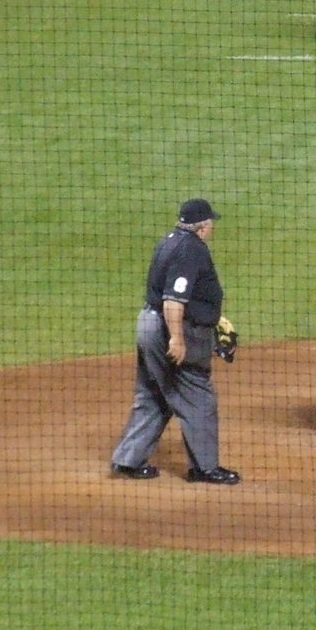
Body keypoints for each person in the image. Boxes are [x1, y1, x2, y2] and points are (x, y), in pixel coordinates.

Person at [109, 198, 239, 484]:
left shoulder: (169, 241)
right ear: (202, 226)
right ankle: (205, 468)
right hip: (168, 328)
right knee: (198, 394)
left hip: (150, 323)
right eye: (211, 223)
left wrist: (211, 316)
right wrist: (177, 339)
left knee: (155, 394)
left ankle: (128, 460)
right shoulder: (191, 250)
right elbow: (173, 300)